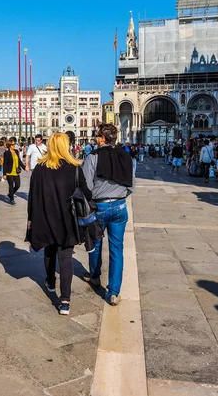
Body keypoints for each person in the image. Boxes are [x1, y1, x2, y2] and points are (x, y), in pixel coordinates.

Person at [27, 133, 92, 315]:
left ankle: (49, 281)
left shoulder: (40, 168)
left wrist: (31, 219)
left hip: (46, 217)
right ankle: (65, 301)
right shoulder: (74, 168)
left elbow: (33, 196)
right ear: (67, 146)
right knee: (66, 257)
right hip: (67, 219)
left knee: (49, 249)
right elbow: (86, 193)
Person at [81, 124, 133, 306]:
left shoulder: (93, 157)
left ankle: (95, 276)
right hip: (119, 207)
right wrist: (118, 196)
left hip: (99, 206)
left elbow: (85, 185)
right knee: (117, 248)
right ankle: (113, 292)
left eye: (97, 136)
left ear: (103, 138)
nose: (95, 139)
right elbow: (131, 186)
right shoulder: (126, 156)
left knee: (95, 243)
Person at [3, 137, 25, 205]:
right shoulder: (6, 153)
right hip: (9, 172)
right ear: (9, 145)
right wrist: (4, 174)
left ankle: (10, 194)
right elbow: (5, 164)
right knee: (11, 185)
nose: (14, 145)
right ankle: (12, 199)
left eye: (14, 144)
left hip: (16, 171)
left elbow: (19, 160)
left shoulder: (16, 151)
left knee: (18, 185)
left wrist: (24, 167)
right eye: (12, 144)